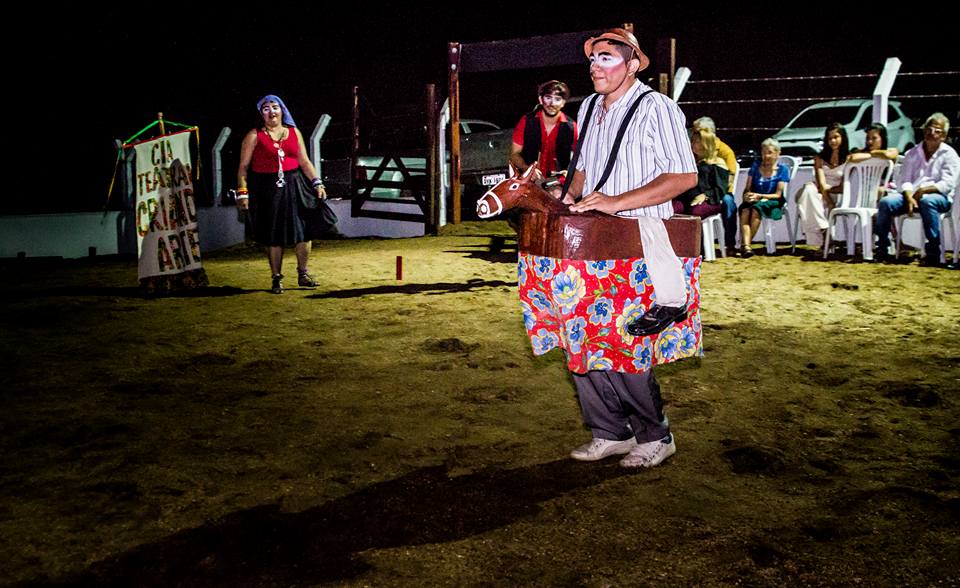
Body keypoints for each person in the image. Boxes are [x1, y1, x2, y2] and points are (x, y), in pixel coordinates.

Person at [564, 28, 698, 469]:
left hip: (638, 240)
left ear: (633, 64)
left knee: (625, 342)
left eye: (606, 57)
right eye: (592, 58)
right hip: (591, 241)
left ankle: (656, 435)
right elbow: (583, 169)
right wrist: (568, 196)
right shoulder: (587, 107)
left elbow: (684, 176)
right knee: (581, 334)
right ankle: (610, 431)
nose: (595, 66)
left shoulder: (657, 107)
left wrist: (616, 201)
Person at [237, 95, 330, 293]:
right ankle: (276, 278)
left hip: (295, 186)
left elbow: (304, 162)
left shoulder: (294, 132)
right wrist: (243, 193)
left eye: (275, 107)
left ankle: (303, 274)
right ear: (261, 114)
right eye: (266, 109)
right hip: (267, 190)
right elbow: (243, 168)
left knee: (304, 231)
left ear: (282, 110)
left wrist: (317, 183)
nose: (271, 112)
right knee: (274, 235)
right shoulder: (254, 136)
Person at [876, 112, 959, 266]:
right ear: (924, 130)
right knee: (886, 202)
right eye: (929, 129)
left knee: (928, 202)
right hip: (911, 195)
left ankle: (933, 253)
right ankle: (883, 248)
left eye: (937, 131)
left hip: (939, 197)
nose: (931, 133)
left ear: (943, 136)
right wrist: (909, 197)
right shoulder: (912, 153)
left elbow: (947, 184)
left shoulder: (949, 154)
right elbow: (905, 180)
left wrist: (923, 191)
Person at [509, 80, 578, 194]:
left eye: (557, 99)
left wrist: (569, 174)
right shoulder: (527, 121)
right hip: (529, 182)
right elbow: (514, 155)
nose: (552, 103)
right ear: (541, 99)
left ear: (563, 102)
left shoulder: (571, 127)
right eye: (548, 98)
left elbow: (580, 159)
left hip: (557, 184)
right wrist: (528, 169)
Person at [795, 123, 849, 247]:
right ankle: (824, 230)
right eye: (830, 138)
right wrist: (829, 201)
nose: (833, 141)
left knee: (808, 197)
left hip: (836, 194)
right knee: (809, 190)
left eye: (836, 137)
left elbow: (843, 187)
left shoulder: (849, 158)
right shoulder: (820, 158)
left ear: (843, 137)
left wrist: (830, 196)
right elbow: (821, 184)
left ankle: (822, 239)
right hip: (819, 192)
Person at [738, 138, 790, 257]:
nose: (766, 156)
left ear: (777, 153)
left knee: (756, 210)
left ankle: (745, 244)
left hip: (772, 200)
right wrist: (747, 195)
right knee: (745, 210)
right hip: (755, 198)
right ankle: (747, 246)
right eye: (764, 152)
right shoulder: (756, 166)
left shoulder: (782, 170)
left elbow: (778, 194)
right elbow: (748, 187)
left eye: (770, 152)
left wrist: (760, 196)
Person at [693, 117, 738, 249]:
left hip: (721, 190)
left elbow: (729, 177)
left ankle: (730, 242)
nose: (694, 134)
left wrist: (710, 193)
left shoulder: (725, 151)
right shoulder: (694, 150)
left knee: (728, 202)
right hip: (701, 190)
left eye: (697, 131)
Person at [673, 127, 729, 220]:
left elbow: (720, 189)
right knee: (672, 209)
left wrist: (705, 195)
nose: (692, 144)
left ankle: (697, 230)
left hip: (708, 199)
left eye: (697, 141)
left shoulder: (717, 163)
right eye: (692, 141)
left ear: (706, 144)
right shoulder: (690, 162)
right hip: (685, 198)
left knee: (695, 211)